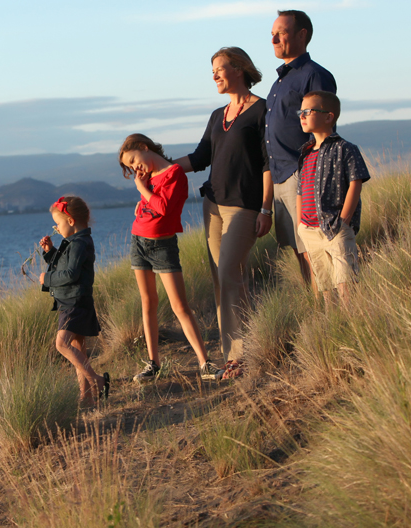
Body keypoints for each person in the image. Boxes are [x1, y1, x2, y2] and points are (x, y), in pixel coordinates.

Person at [174, 47, 272, 380]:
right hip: (212, 205)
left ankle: (242, 356)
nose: (214, 75)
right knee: (223, 280)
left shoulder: (262, 110)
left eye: (220, 68)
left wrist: (266, 208)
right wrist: (163, 170)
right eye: (212, 70)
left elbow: (268, 163)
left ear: (240, 68)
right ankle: (235, 353)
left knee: (231, 271)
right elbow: (201, 157)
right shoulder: (218, 115)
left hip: (245, 206)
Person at [118, 134, 223, 382]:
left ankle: (205, 363)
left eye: (134, 160)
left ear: (144, 147)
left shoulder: (175, 173)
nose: (135, 168)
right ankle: (153, 364)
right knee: (147, 303)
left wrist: (142, 190)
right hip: (138, 240)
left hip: (162, 245)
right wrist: (142, 196)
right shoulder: (147, 177)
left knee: (179, 306)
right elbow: (150, 205)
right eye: (130, 167)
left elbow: (163, 209)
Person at [266, 10, 337, 285]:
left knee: (314, 250)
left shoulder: (315, 75)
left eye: (280, 32)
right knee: (299, 250)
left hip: (304, 175)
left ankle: (329, 313)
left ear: (301, 35)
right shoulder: (278, 83)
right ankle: (315, 309)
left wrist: (315, 174)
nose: (273, 39)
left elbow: (324, 128)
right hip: (280, 177)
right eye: (272, 33)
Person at [295, 91, 370, 306]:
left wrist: (344, 220)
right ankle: (332, 323)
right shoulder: (305, 153)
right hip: (309, 229)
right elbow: (300, 190)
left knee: (345, 280)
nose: (302, 116)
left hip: (335, 227)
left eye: (307, 111)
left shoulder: (345, 149)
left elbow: (356, 182)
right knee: (324, 282)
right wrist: (301, 223)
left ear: (328, 117)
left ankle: (350, 322)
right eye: (301, 112)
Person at [39, 196, 109, 405]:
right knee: (78, 348)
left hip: (75, 302)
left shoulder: (79, 243)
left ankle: (97, 381)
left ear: (70, 221)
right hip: (73, 301)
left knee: (62, 344)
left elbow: (70, 274)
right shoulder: (74, 241)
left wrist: (47, 279)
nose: (56, 228)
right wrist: (50, 253)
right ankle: (86, 396)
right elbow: (65, 266)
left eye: (58, 223)